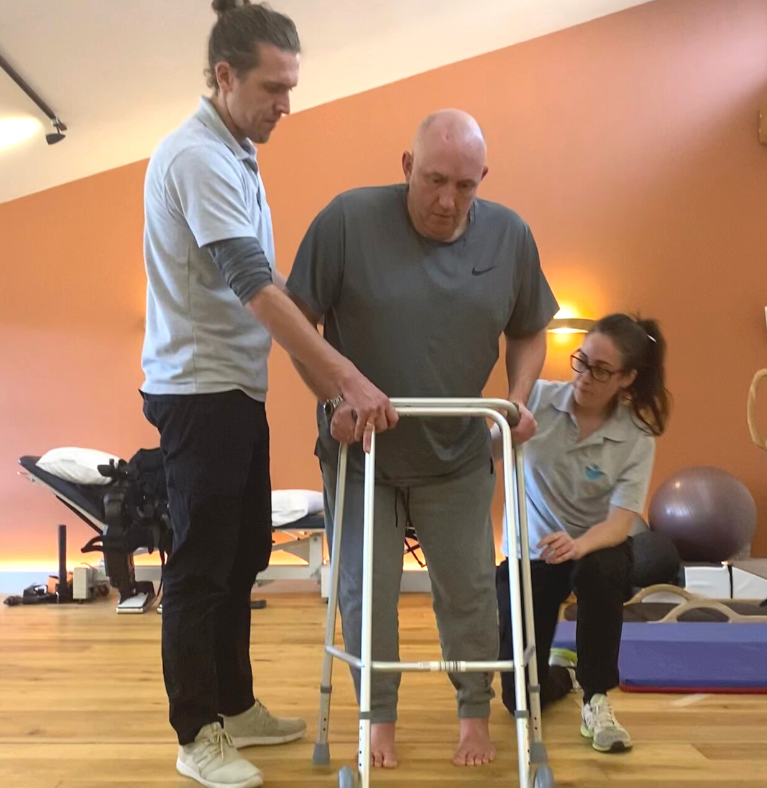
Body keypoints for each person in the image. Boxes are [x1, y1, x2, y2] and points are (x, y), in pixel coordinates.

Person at [139, 3, 397, 787]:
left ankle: (236, 703)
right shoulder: (196, 158)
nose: (287, 103)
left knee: (245, 551)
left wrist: (324, 375)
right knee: (200, 568)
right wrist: (343, 378)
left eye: (292, 86)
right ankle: (197, 733)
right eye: (273, 87)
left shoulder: (235, 151)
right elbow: (255, 285)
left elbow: (267, 290)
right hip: (198, 389)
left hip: (233, 387)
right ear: (224, 77)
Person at [286, 109, 559, 769]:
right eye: (435, 181)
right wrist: (334, 396)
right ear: (407, 167)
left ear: (482, 180)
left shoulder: (510, 236)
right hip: (364, 453)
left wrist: (517, 401)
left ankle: (474, 714)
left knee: (468, 590)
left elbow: (528, 329)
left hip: (460, 452)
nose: (447, 202)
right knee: (365, 589)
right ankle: (377, 718)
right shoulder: (347, 221)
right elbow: (298, 319)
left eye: (465, 187)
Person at [493, 313, 672, 754]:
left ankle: (596, 697)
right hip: (533, 552)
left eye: (601, 370)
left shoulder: (636, 436)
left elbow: (620, 523)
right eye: (582, 361)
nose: (585, 377)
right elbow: (487, 453)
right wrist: (506, 430)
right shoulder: (536, 398)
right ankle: (563, 675)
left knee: (602, 567)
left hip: (596, 546)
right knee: (517, 696)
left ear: (627, 378)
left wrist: (578, 543)